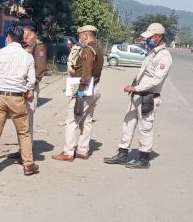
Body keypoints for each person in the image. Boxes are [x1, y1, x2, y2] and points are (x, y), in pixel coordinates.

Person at [103, 22, 172, 169]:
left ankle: (143, 158)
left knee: (144, 128)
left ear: (159, 37)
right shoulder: (151, 52)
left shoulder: (164, 56)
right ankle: (122, 153)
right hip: (137, 94)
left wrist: (136, 87)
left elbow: (156, 80)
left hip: (148, 96)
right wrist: (134, 88)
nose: (147, 40)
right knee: (128, 124)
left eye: (150, 37)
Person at [0, 26, 39, 176]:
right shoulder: (27, 56)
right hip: (17, 97)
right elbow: (31, 80)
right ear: (21, 39)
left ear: (8, 38)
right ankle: (28, 165)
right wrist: (28, 90)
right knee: (24, 133)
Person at [52, 25, 104, 162]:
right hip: (94, 87)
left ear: (86, 35)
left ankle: (68, 152)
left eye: (80, 36)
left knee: (71, 121)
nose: (79, 38)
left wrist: (79, 91)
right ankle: (82, 150)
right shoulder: (98, 48)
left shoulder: (88, 49)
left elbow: (86, 74)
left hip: (84, 89)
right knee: (86, 121)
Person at [21, 22, 47, 140]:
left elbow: (40, 68)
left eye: (26, 32)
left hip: (30, 87)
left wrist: (31, 85)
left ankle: (27, 150)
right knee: (21, 120)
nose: (24, 35)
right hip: (21, 86)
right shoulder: (23, 45)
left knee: (27, 119)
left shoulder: (38, 46)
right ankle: (23, 149)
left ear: (32, 33)